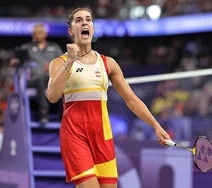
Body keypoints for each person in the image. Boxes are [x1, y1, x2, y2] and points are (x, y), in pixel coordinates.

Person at [46, 7, 171, 188]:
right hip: (75, 135)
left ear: (93, 28)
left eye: (88, 19)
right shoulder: (60, 63)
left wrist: (156, 126)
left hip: (102, 137)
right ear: (71, 31)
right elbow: (51, 96)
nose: (85, 23)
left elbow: (132, 100)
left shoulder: (108, 63)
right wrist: (71, 61)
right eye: (79, 20)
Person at [11, 23, 63, 124]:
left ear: (45, 34)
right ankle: (43, 113)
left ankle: (63, 115)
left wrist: (53, 65)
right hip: (34, 80)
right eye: (35, 33)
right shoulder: (27, 47)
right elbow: (16, 60)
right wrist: (15, 61)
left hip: (52, 79)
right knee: (40, 78)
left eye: (40, 32)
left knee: (64, 81)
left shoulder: (54, 47)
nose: (37, 35)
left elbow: (63, 62)